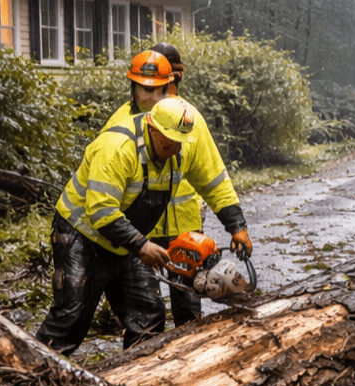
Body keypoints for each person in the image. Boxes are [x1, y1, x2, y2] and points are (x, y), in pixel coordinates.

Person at [36, 91, 251, 356]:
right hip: (81, 235)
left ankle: (132, 381)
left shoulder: (177, 148)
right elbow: (100, 210)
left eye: (181, 142)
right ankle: (31, 374)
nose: (177, 149)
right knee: (71, 315)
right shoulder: (116, 146)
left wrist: (236, 226)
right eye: (171, 142)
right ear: (152, 128)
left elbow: (213, 183)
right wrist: (141, 245)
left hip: (127, 241)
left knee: (148, 314)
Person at [101, 43, 246, 327]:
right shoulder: (120, 125)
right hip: (140, 236)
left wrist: (237, 226)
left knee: (189, 312)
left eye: (172, 82)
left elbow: (213, 178)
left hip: (186, 233)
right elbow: (103, 196)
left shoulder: (190, 119)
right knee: (145, 315)